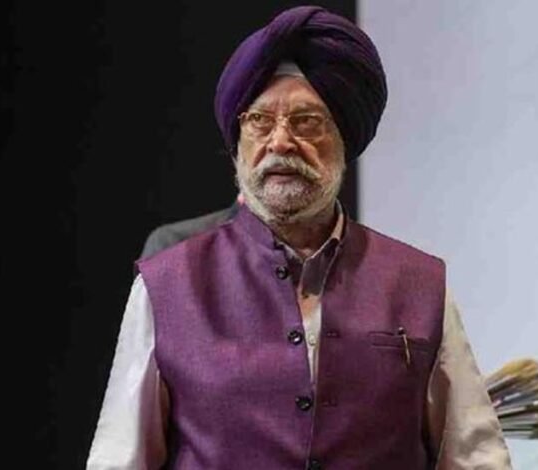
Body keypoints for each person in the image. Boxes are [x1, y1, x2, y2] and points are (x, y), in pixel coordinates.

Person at [87, 6, 512, 470]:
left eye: (307, 121)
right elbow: (121, 460)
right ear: (237, 144)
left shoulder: (419, 284)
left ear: (344, 141)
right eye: (260, 121)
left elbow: (476, 460)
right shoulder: (167, 284)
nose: (281, 142)